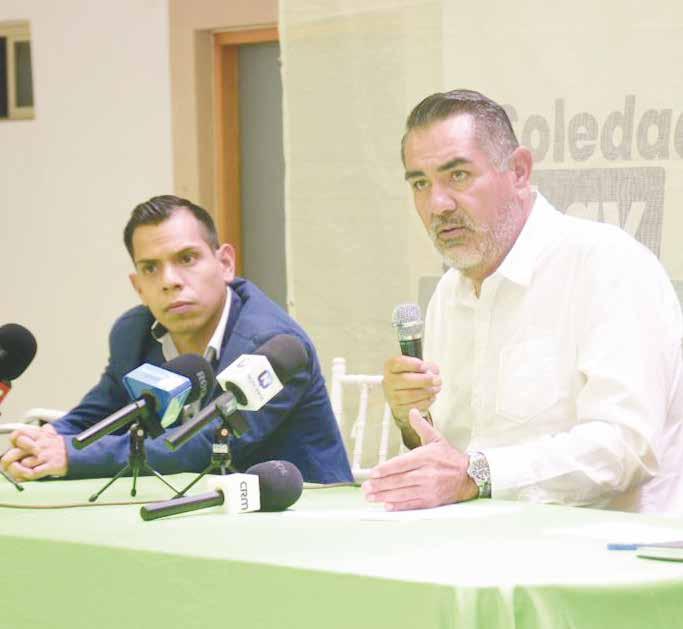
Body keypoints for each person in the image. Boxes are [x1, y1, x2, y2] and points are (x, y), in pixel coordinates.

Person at [363, 89, 683, 512]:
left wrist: (476, 475)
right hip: (477, 543)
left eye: (457, 175)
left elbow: (624, 448)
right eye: (420, 183)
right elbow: (454, 457)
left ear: (518, 171)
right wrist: (411, 419)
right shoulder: (449, 294)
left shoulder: (608, 265)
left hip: (607, 546)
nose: (437, 204)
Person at [1, 195, 352, 484]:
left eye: (187, 258)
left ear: (225, 263)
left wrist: (71, 456)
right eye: (150, 268)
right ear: (138, 286)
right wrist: (42, 441)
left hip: (301, 513)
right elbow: (98, 413)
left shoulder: (273, 345)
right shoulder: (133, 334)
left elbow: (207, 445)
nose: (169, 281)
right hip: (196, 508)